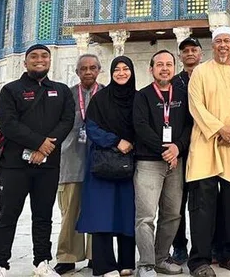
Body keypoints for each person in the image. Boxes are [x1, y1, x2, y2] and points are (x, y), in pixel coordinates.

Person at [0, 44, 75, 277]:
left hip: (47, 165)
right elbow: (8, 124)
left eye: (44, 56)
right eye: (34, 57)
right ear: (24, 63)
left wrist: (47, 148)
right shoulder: (11, 90)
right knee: (8, 214)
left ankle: (42, 262)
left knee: (43, 215)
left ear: (50, 61)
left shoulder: (62, 91)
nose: (40, 60)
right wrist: (39, 143)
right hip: (14, 165)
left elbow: (66, 122)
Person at [185, 26, 230, 277]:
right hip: (205, 144)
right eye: (218, 42)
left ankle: (229, 254)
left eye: (227, 41)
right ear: (212, 46)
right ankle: (200, 259)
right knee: (202, 205)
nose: (223, 45)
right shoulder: (201, 72)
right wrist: (219, 129)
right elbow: (196, 106)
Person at [133, 50, 193, 277]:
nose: (164, 68)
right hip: (149, 162)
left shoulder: (182, 93)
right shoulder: (143, 96)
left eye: (169, 64)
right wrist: (164, 150)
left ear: (174, 68)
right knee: (146, 216)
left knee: (172, 213)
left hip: (175, 163)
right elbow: (140, 127)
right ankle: (146, 264)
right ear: (151, 69)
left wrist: (178, 147)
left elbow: (189, 125)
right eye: (160, 64)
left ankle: (161, 258)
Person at [77, 56, 138, 277]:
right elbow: (91, 128)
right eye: (117, 70)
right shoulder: (101, 99)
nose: (121, 73)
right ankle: (104, 265)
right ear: (111, 73)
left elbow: (144, 125)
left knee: (126, 213)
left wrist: (133, 144)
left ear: (132, 72)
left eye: (126, 69)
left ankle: (126, 263)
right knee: (102, 213)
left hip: (129, 164)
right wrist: (116, 141)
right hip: (103, 163)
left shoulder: (138, 99)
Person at [55, 54, 103, 275]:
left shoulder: (105, 94)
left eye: (92, 68)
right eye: (83, 68)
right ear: (77, 72)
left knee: (96, 210)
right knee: (70, 212)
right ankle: (67, 257)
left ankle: (97, 255)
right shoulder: (67, 96)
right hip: (70, 162)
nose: (88, 72)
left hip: (98, 164)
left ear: (99, 70)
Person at [171, 37, 203, 264]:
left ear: (201, 53)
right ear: (180, 56)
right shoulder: (173, 82)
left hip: (203, 147)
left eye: (194, 49)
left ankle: (203, 245)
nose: (190, 53)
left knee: (201, 201)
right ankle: (179, 245)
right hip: (180, 149)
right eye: (185, 51)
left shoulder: (208, 77)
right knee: (177, 202)